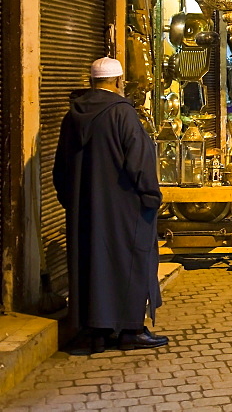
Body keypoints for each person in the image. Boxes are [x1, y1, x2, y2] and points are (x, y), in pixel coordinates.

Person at [53, 57, 168, 353]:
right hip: (124, 209)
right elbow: (139, 162)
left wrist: (74, 202)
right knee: (130, 263)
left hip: (85, 210)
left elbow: (60, 168)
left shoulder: (72, 116)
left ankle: (96, 332)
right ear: (118, 82)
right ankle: (130, 330)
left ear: (91, 81)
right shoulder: (122, 114)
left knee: (93, 266)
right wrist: (151, 196)